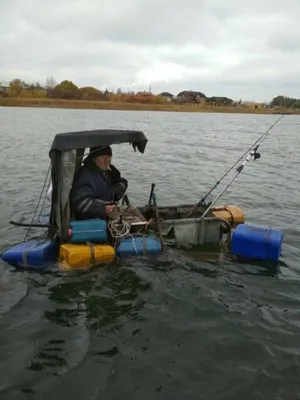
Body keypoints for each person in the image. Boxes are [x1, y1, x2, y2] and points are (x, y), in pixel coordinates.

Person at [70, 145, 128, 220]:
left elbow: (123, 182)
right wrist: (103, 209)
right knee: (132, 221)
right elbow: (79, 202)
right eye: (103, 156)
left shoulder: (106, 171)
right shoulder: (85, 175)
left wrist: (114, 192)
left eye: (109, 156)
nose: (107, 160)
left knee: (133, 211)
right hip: (93, 221)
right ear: (94, 157)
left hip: (108, 216)